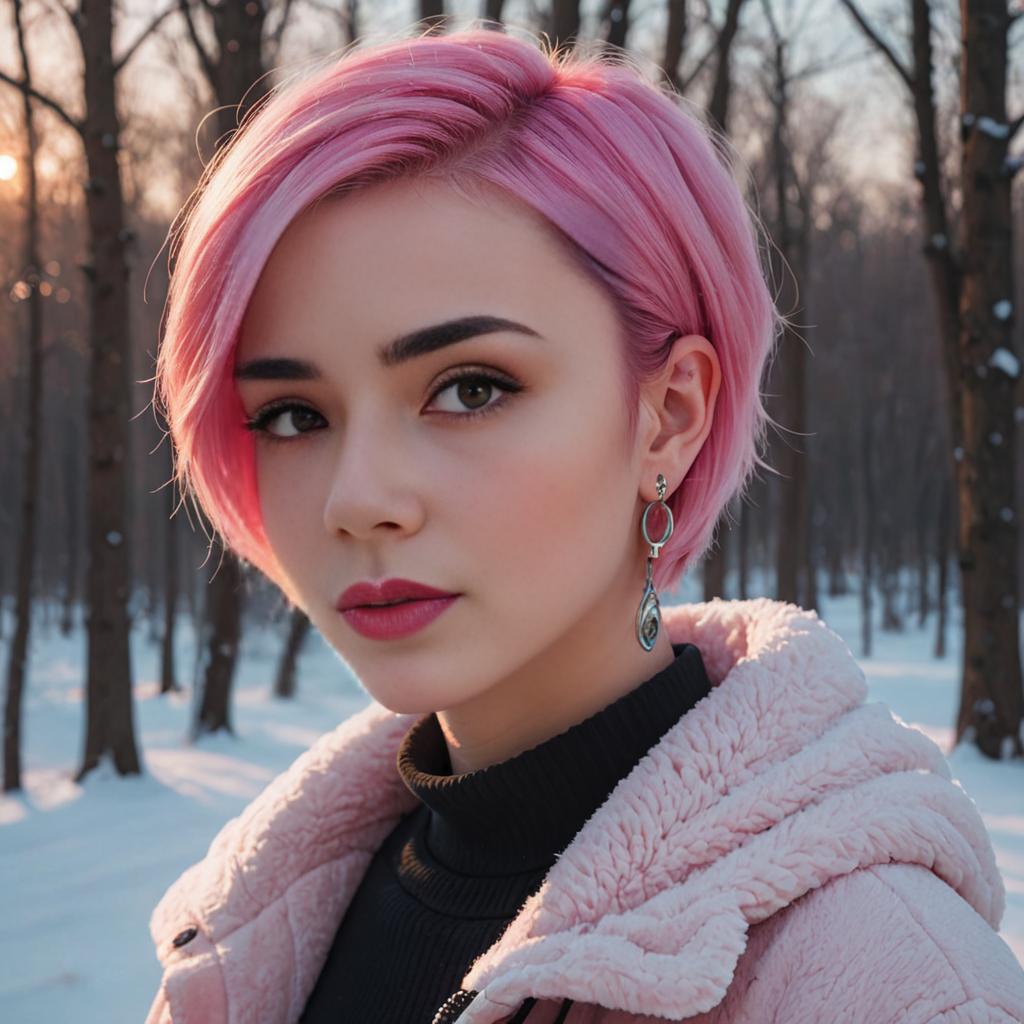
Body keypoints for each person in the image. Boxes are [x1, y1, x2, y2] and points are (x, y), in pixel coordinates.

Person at [143, 23, 1024, 1024]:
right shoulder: (254, 936)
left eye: (469, 388)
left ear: (670, 415)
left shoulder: (886, 981)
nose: (358, 498)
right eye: (293, 415)